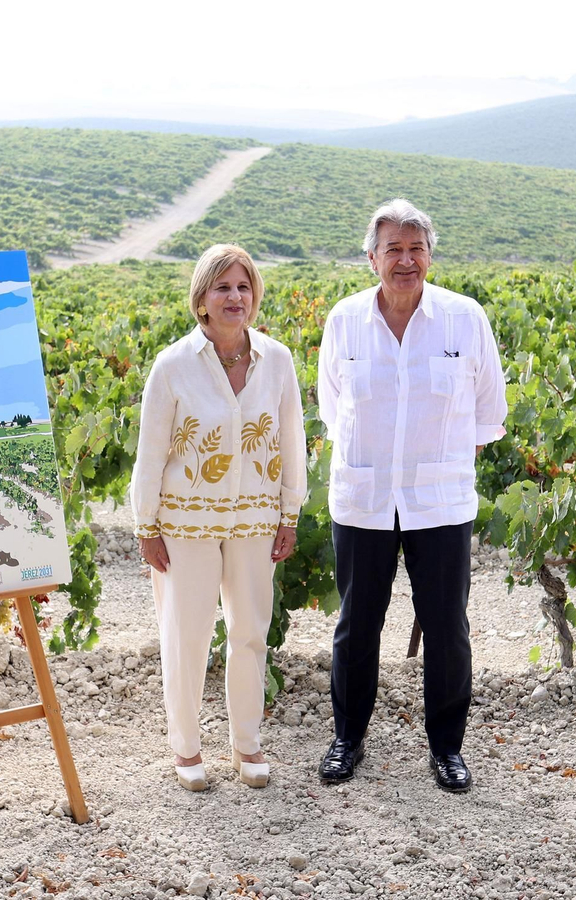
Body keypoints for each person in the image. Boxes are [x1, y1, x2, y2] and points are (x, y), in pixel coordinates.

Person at [316, 199, 508, 793]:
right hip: (364, 498)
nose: (406, 260)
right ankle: (348, 738)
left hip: (440, 504)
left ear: (430, 256)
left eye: (416, 248)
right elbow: (331, 406)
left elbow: (488, 412)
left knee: (447, 627)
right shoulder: (344, 320)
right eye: (393, 249)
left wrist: (444, 463)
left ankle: (447, 748)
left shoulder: (465, 318)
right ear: (371, 258)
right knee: (357, 625)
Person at [131, 243, 305, 792]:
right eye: (223, 287)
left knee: (251, 631)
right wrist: (146, 525)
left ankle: (246, 744)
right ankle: (186, 748)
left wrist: (290, 512)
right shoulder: (174, 365)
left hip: (255, 519)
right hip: (186, 524)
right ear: (202, 299)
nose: (235, 296)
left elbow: (293, 440)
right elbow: (151, 452)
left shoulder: (277, 361)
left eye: (244, 286)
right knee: (187, 635)